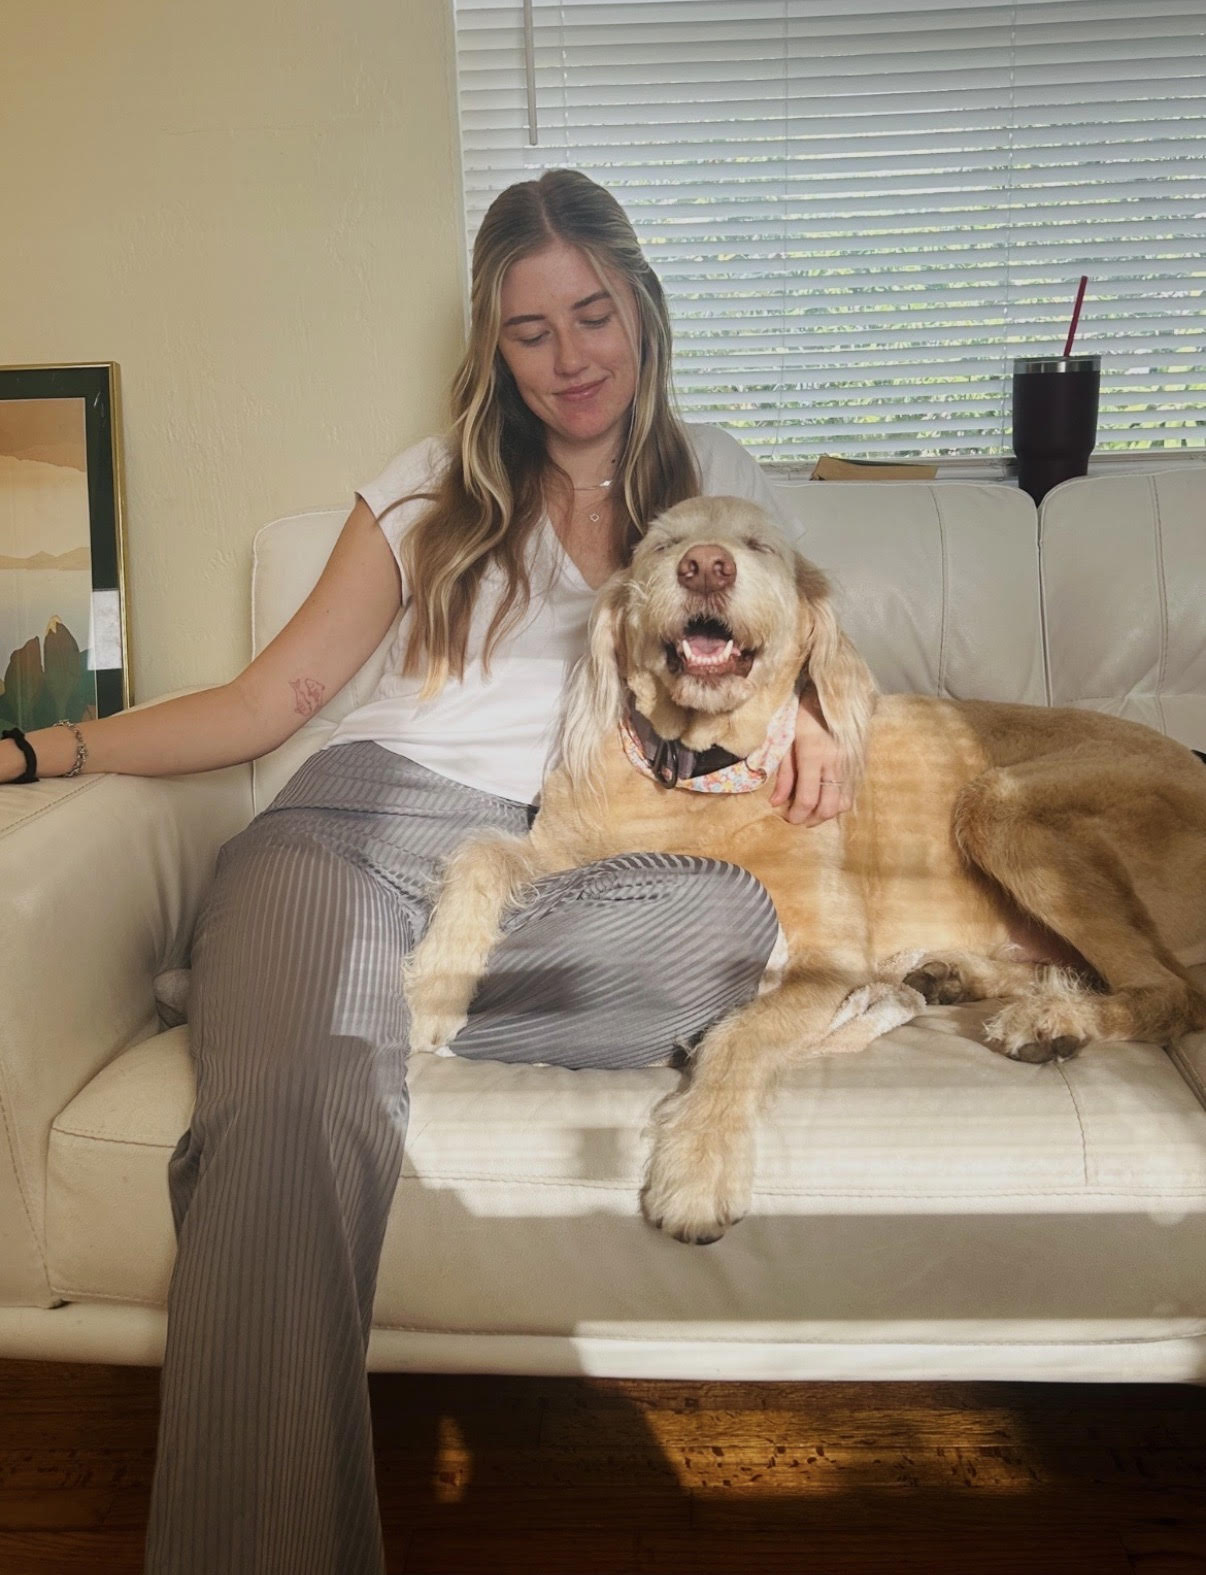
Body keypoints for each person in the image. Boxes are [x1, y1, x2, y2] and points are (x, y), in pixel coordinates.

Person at [1, 170, 855, 1574]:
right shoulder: (428, 486)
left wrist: (816, 711)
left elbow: (792, 640)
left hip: (569, 868)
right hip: (356, 831)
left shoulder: (717, 479)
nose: (570, 357)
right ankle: (291, 991)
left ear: (642, 307)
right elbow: (269, 701)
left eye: (593, 314)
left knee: (721, 928)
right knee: (301, 1104)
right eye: (531, 330)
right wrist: (36, 752)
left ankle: (279, 987)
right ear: (492, 346)